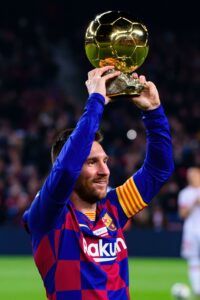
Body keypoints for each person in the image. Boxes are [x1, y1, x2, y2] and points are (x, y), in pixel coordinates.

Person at [23, 65, 174, 300]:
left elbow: (159, 169)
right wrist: (96, 101)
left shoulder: (114, 208)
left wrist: (153, 112)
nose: (105, 170)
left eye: (105, 161)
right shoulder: (49, 216)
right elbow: (65, 169)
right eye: (91, 162)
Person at [178, 167, 200, 298]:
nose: (191, 177)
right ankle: (197, 288)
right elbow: (182, 214)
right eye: (189, 175)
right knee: (193, 259)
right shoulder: (185, 193)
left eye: (194, 174)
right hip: (190, 230)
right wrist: (194, 203)